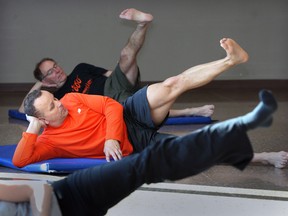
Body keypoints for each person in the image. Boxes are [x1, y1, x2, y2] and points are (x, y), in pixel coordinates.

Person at [3, 89, 279, 216]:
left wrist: (111, 137)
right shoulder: (49, 139)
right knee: (165, 157)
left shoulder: (72, 100)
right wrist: (34, 128)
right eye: (52, 105)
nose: (59, 102)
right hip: (82, 205)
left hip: (73, 192)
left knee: (157, 159)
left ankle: (253, 138)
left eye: (54, 98)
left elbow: (36, 191)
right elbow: (21, 159)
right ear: (44, 120)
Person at [18, 8, 215, 118]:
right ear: (46, 81)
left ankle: (142, 23)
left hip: (115, 84)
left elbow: (110, 73)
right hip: (108, 102)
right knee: (142, 107)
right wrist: (40, 85)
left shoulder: (80, 68)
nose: (57, 70)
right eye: (50, 72)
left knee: (126, 56)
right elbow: (22, 111)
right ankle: (191, 111)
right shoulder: (58, 98)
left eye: (55, 65)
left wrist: (127, 76)